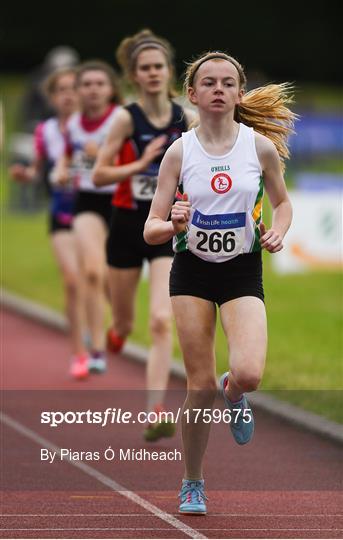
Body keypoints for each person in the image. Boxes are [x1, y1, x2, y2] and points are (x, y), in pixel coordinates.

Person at [144, 51, 296, 514]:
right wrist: (172, 222)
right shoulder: (180, 151)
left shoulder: (258, 148)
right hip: (190, 269)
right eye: (208, 83)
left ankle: (235, 393)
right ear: (192, 94)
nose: (218, 89)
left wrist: (278, 230)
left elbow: (283, 203)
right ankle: (192, 481)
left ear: (239, 92)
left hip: (240, 269)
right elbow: (150, 227)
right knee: (199, 385)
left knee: (248, 373)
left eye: (227, 83)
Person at [93, 29, 195, 441]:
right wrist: (140, 166)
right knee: (126, 320)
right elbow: (100, 173)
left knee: (158, 321)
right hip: (126, 226)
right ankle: (115, 330)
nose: (153, 73)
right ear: (133, 75)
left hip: (165, 228)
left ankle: (155, 409)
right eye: (145, 68)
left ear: (170, 71)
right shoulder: (124, 118)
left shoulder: (183, 117)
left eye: (159, 66)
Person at [9, 68, 89, 379]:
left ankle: (95, 329)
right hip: (62, 213)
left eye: (73, 89)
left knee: (96, 279)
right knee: (71, 280)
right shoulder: (46, 131)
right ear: (52, 98)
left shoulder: (101, 128)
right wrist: (24, 175)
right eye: (61, 91)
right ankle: (78, 352)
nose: (68, 95)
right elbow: (37, 171)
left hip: (97, 216)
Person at [55, 60, 123, 375]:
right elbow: (68, 154)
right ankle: (96, 349)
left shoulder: (121, 119)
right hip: (87, 201)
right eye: (87, 84)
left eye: (100, 84)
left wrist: (106, 158)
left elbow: (141, 157)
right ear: (79, 90)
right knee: (92, 272)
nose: (93, 90)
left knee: (114, 278)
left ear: (111, 89)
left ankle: (118, 323)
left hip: (121, 201)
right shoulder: (73, 125)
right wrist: (61, 170)